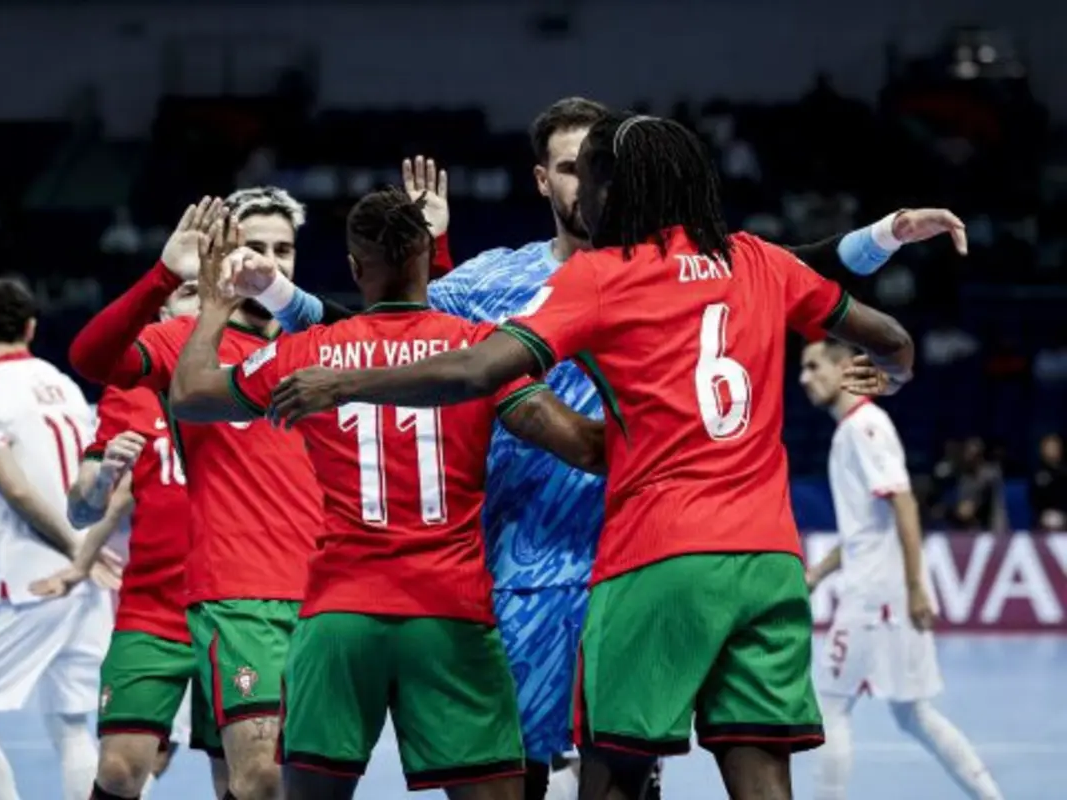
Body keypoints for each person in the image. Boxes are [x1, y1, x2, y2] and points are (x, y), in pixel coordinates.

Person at [243, 97, 966, 800]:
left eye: (588, 172)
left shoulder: (604, 277)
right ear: (542, 180)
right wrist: (311, 287)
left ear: (618, 184)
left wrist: (343, 382)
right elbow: (390, 326)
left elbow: (453, 364)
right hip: (589, 564)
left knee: (619, 768)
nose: (580, 187)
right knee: (608, 764)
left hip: (639, 553)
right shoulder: (731, 260)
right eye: (567, 169)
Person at [170, 187, 605, 800]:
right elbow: (583, 445)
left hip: (341, 617)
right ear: (428, 256)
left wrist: (215, 307)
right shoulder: (478, 351)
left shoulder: (308, 354)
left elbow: (189, 394)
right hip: (451, 616)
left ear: (354, 268)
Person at [68, 190, 324, 800]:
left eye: (283, 249)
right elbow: (91, 357)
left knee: (267, 778)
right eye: (254, 247)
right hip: (220, 591)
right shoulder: (184, 343)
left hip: (313, 588)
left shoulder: (319, 342)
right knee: (233, 774)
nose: (270, 262)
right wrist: (163, 275)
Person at [32, 280, 215, 799]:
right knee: (117, 770)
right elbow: (91, 507)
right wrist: (103, 480)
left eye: (211, 293)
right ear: (163, 312)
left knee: (250, 777)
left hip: (238, 604)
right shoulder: (130, 388)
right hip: (153, 610)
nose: (201, 303)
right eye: (190, 292)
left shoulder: (246, 379)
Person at [800, 340, 1004, 800]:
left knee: (830, 704)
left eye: (814, 367)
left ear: (844, 367)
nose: (804, 378)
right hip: (878, 588)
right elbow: (868, 529)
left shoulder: (865, 427)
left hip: (875, 596)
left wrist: (916, 589)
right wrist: (818, 574)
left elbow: (905, 505)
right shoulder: (850, 431)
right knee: (913, 713)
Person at [0, 277, 120, 800]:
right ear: (31, 327)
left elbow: (16, 489)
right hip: (87, 584)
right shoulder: (64, 385)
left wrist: (75, 552)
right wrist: (87, 553)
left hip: (33, 580)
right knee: (71, 725)